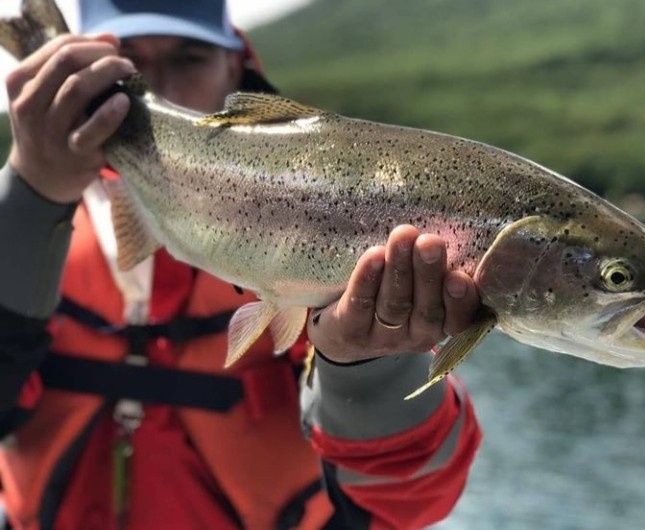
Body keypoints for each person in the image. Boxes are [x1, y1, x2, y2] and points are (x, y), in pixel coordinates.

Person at [0, 0, 482, 528]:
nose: (159, 90)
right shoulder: (23, 229)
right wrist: (31, 192)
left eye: (189, 58)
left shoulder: (324, 219)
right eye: (129, 68)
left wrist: (370, 365)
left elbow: (414, 499)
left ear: (237, 65)